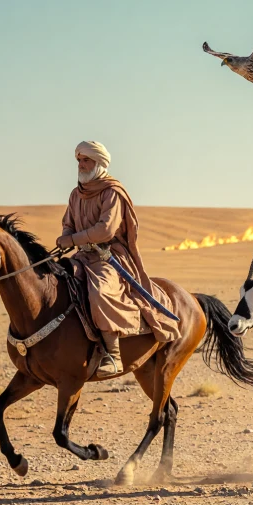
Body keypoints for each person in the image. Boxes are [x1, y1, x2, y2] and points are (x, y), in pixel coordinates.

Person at [56, 141, 179, 376]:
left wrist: (71, 240)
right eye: (79, 161)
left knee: (100, 291)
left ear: (99, 163)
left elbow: (106, 230)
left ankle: (113, 356)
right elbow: (68, 223)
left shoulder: (112, 191)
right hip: (82, 255)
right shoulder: (76, 194)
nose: (81, 165)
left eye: (86, 160)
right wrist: (65, 237)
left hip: (110, 257)